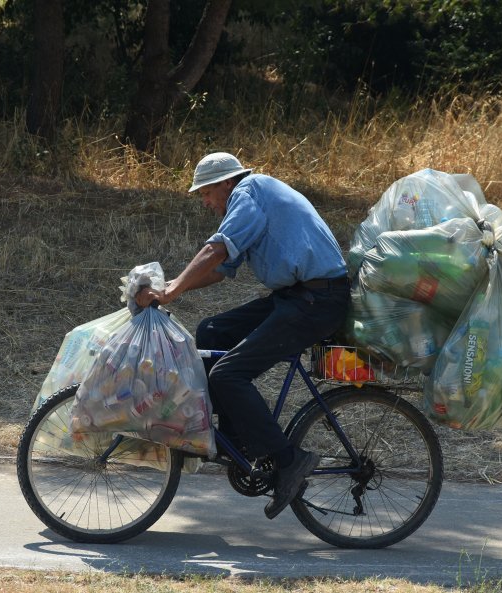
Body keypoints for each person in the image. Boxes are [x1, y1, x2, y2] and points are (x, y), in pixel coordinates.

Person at [135, 152, 351, 519]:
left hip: (318, 300)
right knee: (212, 331)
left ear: (226, 183)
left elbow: (215, 249)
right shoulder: (248, 202)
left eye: (206, 192)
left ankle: (289, 460)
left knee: (228, 374)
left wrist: (171, 294)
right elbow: (220, 269)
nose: (205, 202)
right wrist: (172, 286)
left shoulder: (247, 194)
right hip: (297, 296)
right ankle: (238, 443)